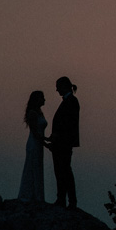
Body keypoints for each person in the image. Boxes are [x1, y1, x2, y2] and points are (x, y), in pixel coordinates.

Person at [45, 76, 80, 209]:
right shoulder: (69, 101)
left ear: (64, 86)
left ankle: (68, 200)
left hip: (63, 144)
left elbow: (67, 124)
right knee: (61, 171)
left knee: (64, 171)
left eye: (58, 86)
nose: (56, 89)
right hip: (61, 143)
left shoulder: (71, 101)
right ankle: (63, 199)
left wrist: (56, 137)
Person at [17, 90, 47, 202]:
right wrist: (45, 143)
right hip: (34, 143)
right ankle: (30, 194)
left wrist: (46, 139)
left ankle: (37, 194)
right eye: (42, 97)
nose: (44, 99)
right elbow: (35, 132)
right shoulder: (33, 113)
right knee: (32, 166)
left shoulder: (39, 112)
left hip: (39, 143)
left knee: (37, 167)